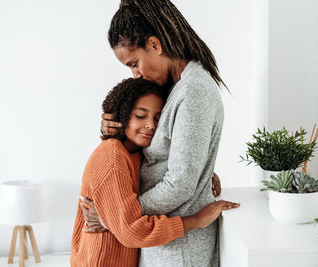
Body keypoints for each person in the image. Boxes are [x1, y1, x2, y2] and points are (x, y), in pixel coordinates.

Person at [83, 0, 230, 266]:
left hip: (180, 250)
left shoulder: (193, 91)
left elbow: (180, 183)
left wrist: (117, 215)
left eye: (134, 63)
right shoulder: (176, 88)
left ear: (154, 44)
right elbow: (175, 159)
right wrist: (116, 132)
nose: (135, 74)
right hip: (165, 243)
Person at [70, 78, 239, 267]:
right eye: (141, 116)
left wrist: (204, 174)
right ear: (122, 114)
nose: (150, 125)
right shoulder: (113, 156)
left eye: (157, 118)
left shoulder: (135, 154)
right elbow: (131, 230)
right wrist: (197, 220)